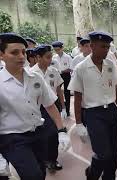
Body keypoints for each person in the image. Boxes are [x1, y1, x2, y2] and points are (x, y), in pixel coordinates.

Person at [0, 33, 70, 180]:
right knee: (33, 175)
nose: (21, 56)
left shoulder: (35, 78)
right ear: (1, 55)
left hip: (38, 133)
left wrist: (62, 130)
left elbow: (50, 105)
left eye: (23, 52)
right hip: (13, 138)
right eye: (14, 52)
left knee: (41, 171)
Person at [68, 31, 117, 180]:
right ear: (92, 46)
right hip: (93, 114)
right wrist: (79, 123)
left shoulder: (110, 64)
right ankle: (92, 174)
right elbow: (78, 97)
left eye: (107, 47)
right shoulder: (81, 68)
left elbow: (116, 89)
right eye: (103, 46)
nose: (106, 50)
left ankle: (109, 177)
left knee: (115, 154)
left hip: (111, 110)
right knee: (103, 154)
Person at [30, 45, 67, 171]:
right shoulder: (30, 74)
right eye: (47, 57)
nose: (50, 60)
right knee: (41, 135)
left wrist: (63, 107)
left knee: (53, 134)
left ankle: (52, 160)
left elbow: (59, 90)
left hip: (52, 106)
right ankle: (42, 159)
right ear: (38, 57)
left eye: (51, 57)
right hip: (37, 108)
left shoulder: (54, 71)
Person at [52, 41, 72, 117]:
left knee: (67, 93)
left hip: (66, 75)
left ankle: (67, 110)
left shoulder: (67, 57)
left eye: (58, 49)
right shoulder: (53, 58)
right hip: (56, 76)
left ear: (62, 48)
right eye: (55, 50)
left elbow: (70, 68)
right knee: (56, 92)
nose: (57, 51)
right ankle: (60, 108)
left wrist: (62, 71)